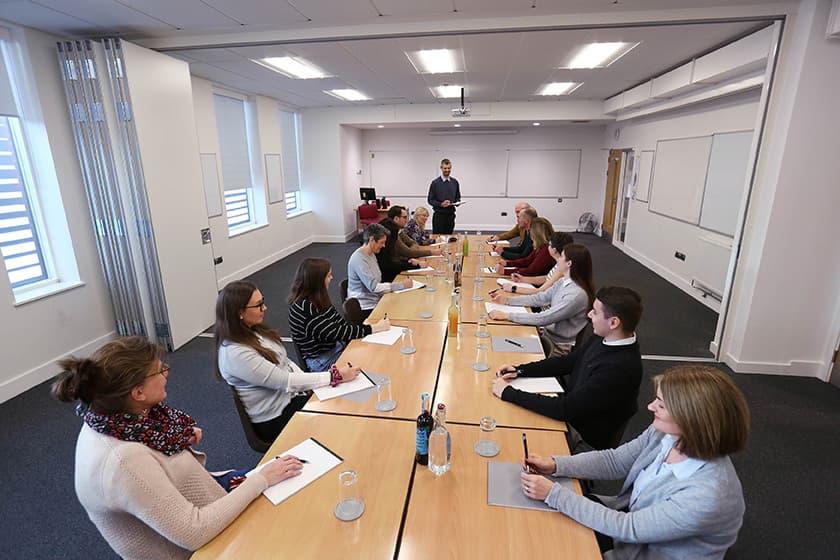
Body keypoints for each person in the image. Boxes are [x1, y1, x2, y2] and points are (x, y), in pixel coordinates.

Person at [51, 336, 305, 559]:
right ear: (138, 393)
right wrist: (260, 480)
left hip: (211, 497)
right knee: (300, 527)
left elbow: (160, 460)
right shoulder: (124, 461)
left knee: (298, 479)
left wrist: (179, 439)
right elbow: (195, 533)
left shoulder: (116, 419)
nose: (167, 374)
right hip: (198, 549)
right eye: (160, 371)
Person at [521, 365, 749, 559]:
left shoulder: (708, 495)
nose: (650, 407)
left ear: (690, 418)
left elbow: (628, 528)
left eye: (660, 404)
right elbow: (615, 461)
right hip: (627, 528)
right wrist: (556, 464)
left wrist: (553, 494)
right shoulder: (667, 435)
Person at [492, 286, 643, 451]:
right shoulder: (604, 337)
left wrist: (508, 393)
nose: (589, 315)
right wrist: (520, 370)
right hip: (571, 411)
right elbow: (569, 362)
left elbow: (566, 409)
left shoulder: (619, 369)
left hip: (579, 437)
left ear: (614, 322)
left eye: (595, 312)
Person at [215, 281, 361, 441]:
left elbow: (286, 362)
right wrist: (334, 376)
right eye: (258, 305)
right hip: (275, 417)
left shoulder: (254, 331)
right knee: (342, 416)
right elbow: (285, 381)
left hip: (290, 398)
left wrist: (310, 385)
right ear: (239, 312)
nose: (265, 308)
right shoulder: (235, 353)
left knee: (346, 403)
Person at [490, 243, 595, 357]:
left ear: (569, 263)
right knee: (497, 341)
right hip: (546, 335)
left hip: (556, 347)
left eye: (562, 257)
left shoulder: (576, 295)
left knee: (502, 351)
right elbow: (540, 298)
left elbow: (546, 317)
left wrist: (507, 316)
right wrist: (507, 301)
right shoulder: (563, 282)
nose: (558, 260)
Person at [288, 258, 390, 371]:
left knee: (375, 355)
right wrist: (374, 328)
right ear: (317, 281)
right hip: (323, 361)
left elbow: (341, 325)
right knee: (373, 362)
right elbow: (338, 332)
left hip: (335, 348)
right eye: (328, 276)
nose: (331, 278)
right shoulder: (305, 309)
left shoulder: (318, 299)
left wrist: (368, 329)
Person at [347, 223, 413, 319]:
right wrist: (401, 285)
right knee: (404, 312)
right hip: (366, 307)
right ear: (372, 240)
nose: (384, 246)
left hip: (375, 300)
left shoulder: (371, 254)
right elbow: (374, 287)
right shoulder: (359, 259)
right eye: (382, 242)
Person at [501, 232, 575, 295]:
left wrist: (513, 288)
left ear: (554, 250)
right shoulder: (559, 263)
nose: (547, 247)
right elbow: (547, 278)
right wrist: (523, 279)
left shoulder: (561, 269)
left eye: (549, 245)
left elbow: (540, 291)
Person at [376, 216, 423, 282]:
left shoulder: (388, 241)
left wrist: (408, 261)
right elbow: (390, 266)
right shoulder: (380, 247)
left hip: (391, 276)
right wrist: (415, 266)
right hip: (388, 280)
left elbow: (393, 261)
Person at [427, 157, 460, 234]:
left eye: (449, 168)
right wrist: (441, 204)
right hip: (439, 215)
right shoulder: (435, 183)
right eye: (445, 168)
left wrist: (457, 202)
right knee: (438, 238)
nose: (447, 170)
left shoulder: (455, 182)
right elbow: (430, 200)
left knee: (449, 238)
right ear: (441, 168)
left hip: (451, 215)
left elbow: (457, 197)